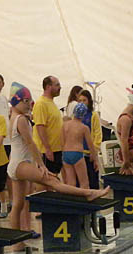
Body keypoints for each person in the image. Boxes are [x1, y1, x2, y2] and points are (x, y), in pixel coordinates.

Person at [7, 87, 108, 237]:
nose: (29, 105)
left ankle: (17, 242)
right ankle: (89, 193)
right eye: (27, 102)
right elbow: (30, 143)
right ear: (19, 101)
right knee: (53, 181)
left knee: (18, 204)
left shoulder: (14, 117)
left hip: (17, 164)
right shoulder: (20, 119)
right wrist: (41, 165)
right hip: (21, 164)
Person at [32, 76, 64, 179]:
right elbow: (40, 127)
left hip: (56, 149)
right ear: (48, 87)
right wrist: (48, 149)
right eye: (57, 85)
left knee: (54, 178)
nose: (60, 87)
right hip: (46, 151)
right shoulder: (41, 104)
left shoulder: (51, 103)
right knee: (46, 180)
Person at [61, 102, 96, 188]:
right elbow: (90, 145)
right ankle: (85, 197)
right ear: (84, 115)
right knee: (84, 183)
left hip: (66, 154)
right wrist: (95, 159)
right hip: (77, 153)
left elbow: (61, 141)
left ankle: (71, 196)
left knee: (71, 183)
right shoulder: (84, 128)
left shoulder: (65, 125)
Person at [77, 89, 103, 188]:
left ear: (89, 101)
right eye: (80, 101)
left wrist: (95, 150)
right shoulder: (76, 116)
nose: (82, 103)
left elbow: (97, 133)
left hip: (90, 153)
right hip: (79, 153)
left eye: (84, 100)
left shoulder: (93, 115)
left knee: (92, 180)